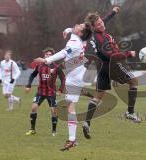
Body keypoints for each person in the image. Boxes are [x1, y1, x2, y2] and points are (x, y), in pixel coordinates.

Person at [80, 6, 141, 139]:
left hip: (101, 68)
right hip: (111, 65)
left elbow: (104, 20)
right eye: (98, 24)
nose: (102, 24)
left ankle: (87, 122)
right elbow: (109, 55)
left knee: (98, 96)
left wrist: (113, 12)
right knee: (134, 81)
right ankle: (130, 112)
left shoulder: (98, 30)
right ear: (94, 27)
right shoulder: (99, 38)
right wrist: (128, 54)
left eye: (101, 21)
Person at [34, 23, 92, 151]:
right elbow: (73, 30)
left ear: (81, 33)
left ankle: (73, 139)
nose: (77, 24)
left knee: (70, 108)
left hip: (75, 77)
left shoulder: (75, 43)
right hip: (78, 72)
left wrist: (46, 60)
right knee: (70, 108)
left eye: (80, 26)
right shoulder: (78, 36)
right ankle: (72, 139)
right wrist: (67, 29)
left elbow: (63, 53)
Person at [25, 47, 65, 136]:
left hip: (51, 93)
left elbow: (63, 78)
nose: (48, 56)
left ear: (53, 56)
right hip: (40, 91)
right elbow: (32, 75)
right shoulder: (39, 66)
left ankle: (54, 131)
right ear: (44, 55)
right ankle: (32, 129)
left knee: (53, 111)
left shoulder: (56, 67)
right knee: (33, 108)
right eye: (47, 54)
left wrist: (60, 90)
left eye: (50, 55)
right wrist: (28, 85)